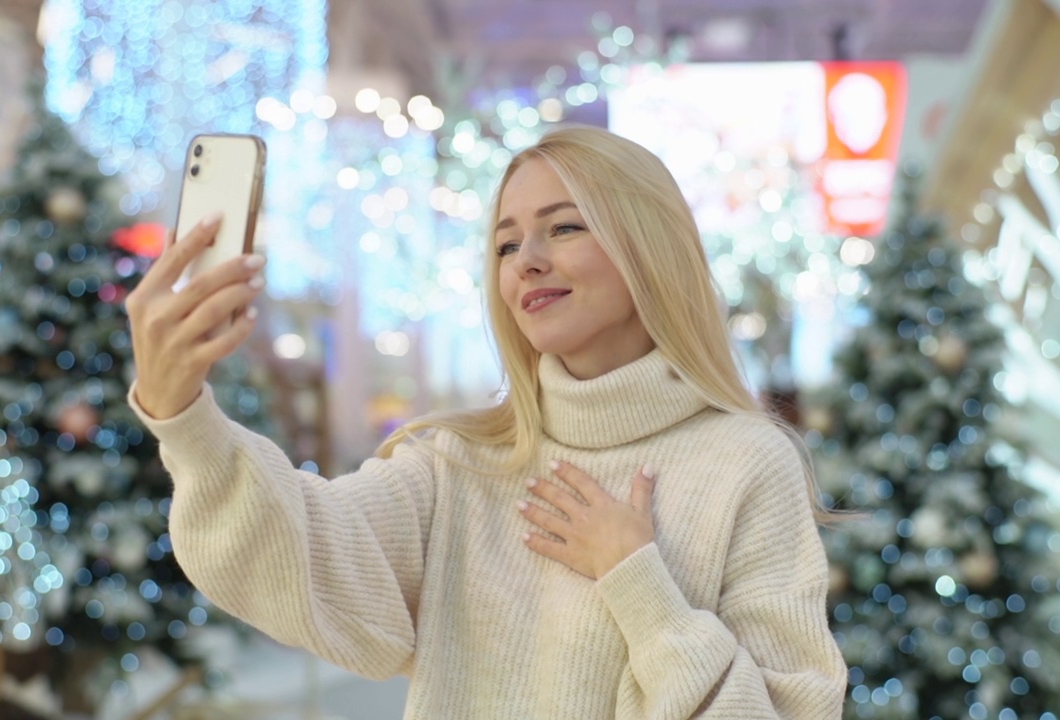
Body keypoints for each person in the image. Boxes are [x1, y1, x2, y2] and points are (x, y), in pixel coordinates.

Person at [125, 126, 847, 718]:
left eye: (561, 228)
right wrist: (181, 415)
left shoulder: (748, 461)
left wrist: (638, 582)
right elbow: (300, 556)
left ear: (648, 246)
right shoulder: (459, 463)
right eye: (506, 245)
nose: (526, 262)